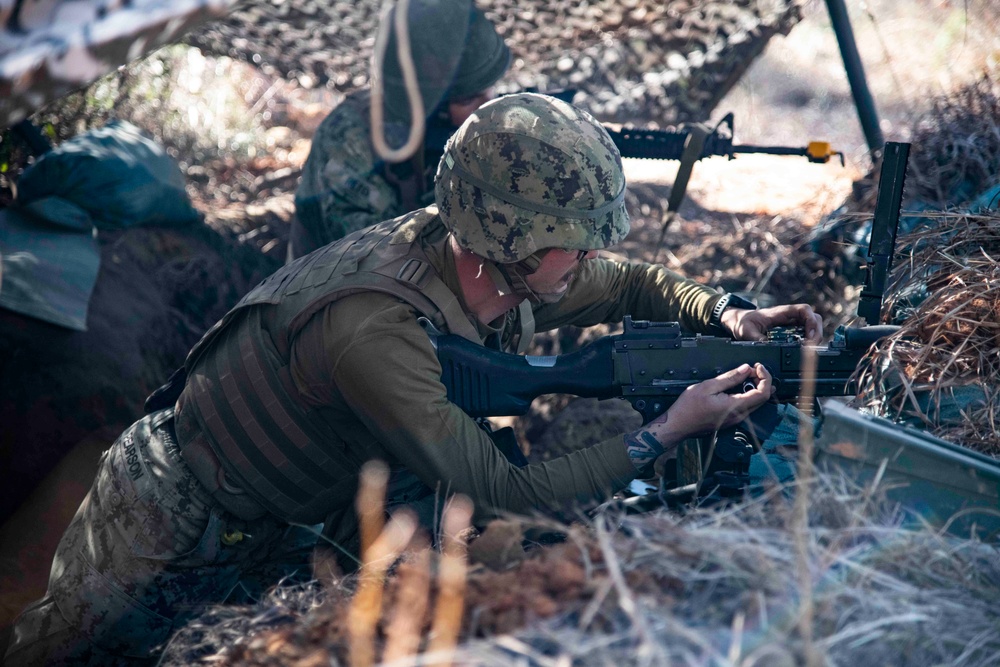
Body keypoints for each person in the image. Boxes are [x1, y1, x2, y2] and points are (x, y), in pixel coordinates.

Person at [4, 93, 823, 665]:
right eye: (576, 241)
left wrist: (725, 314)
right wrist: (662, 433)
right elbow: (508, 489)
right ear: (513, 238)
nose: (590, 260)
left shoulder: (488, 261)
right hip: (169, 508)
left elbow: (632, 283)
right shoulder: (376, 330)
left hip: (293, 515)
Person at [291, 0, 511, 259]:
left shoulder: (468, 122)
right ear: (432, 106)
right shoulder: (351, 136)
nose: (489, 108)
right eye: (467, 100)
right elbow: (372, 258)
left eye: (491, 90)